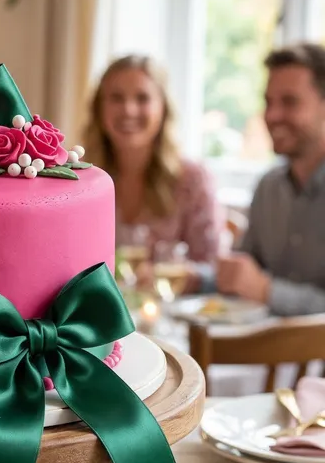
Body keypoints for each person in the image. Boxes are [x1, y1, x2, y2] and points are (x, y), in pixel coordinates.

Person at [83, 55, 223, 288]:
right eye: (116, 98)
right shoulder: (81, 180)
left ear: (163, 108)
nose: (128, 110)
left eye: (142, 98)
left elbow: (215, 269)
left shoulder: (192, 180)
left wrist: (170, 276)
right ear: (99, 109)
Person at [217, 43, 325, 315]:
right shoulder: (268, 187)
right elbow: (244, 276)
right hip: (263, 353)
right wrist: (198, 277)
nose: (272, 115)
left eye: (290, 102)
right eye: (268, 102)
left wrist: (268, 291)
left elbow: (258, 286)